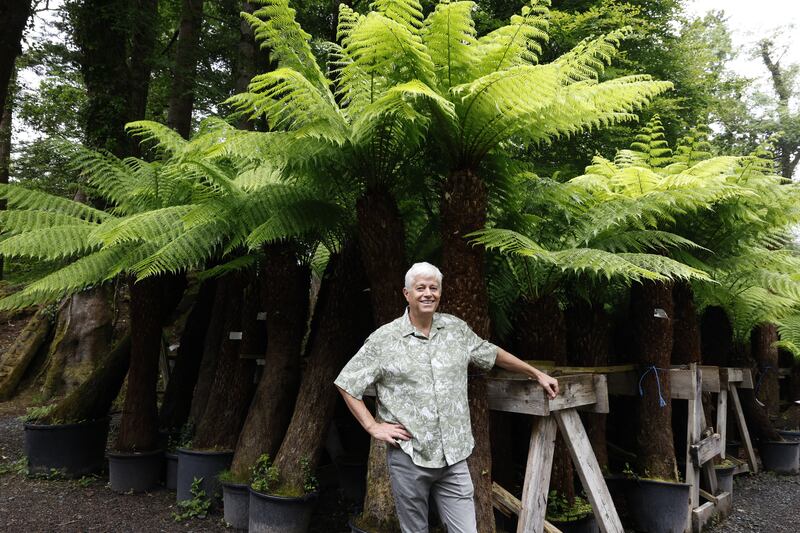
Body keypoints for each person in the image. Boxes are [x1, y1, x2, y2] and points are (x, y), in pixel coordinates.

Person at [334, 262, 559, 533]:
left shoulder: (456, 330)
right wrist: (372, 426)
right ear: (407, 294)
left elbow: (490, 352)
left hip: (454, 456)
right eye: (420, 288)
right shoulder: (384, 339)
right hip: (410, 455)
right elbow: (347, 383)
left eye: (433, 287)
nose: (428, 293)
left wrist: (535, 374)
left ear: (440, 293)